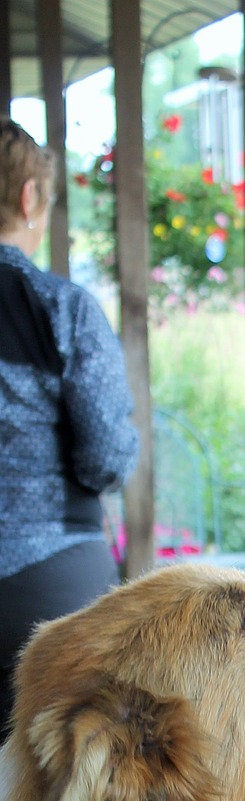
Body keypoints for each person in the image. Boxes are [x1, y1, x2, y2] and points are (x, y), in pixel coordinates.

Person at [0, 117, 136, 744]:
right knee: (52, 789)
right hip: (43, 578)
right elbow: (106, 455)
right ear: (29, 197)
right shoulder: (58, 307)